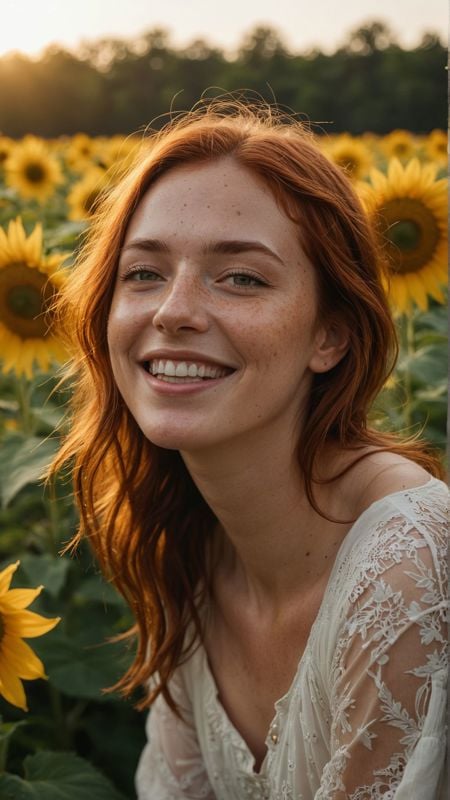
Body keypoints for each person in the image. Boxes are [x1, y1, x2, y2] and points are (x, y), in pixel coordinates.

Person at [52, 100, 448, 799]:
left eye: (241, 277)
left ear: (332, 336)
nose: (173, 310)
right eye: (143, 272)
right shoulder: (197, 549)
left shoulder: (407, 569)